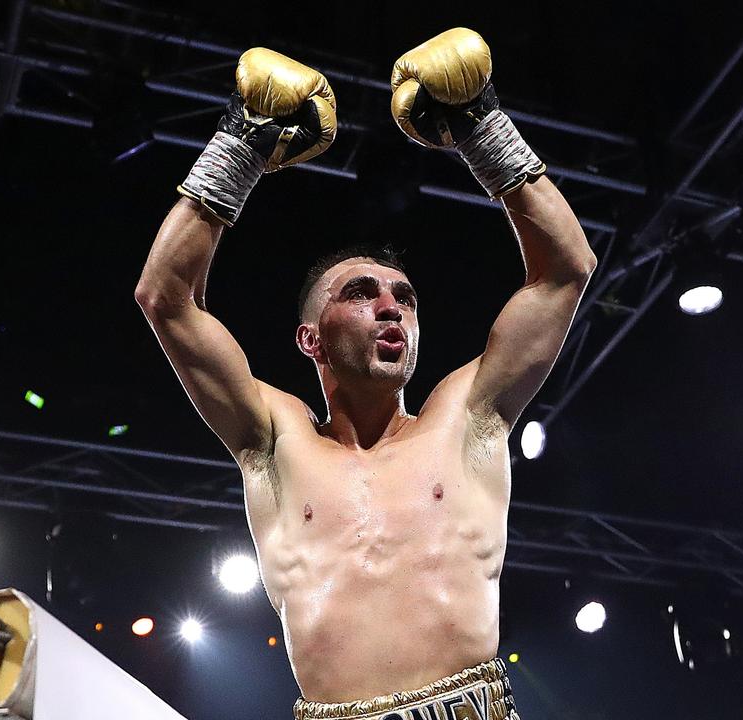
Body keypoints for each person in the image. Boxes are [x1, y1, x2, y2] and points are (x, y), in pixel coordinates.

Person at [135, 28, 597, 720]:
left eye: (404, 298)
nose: (390, 308)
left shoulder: (467, 416)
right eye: (361, 294)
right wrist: (244, 140)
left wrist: (481, 125)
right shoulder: (274, 439)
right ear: (310, 338)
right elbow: (165, 299)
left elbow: (566, 272)